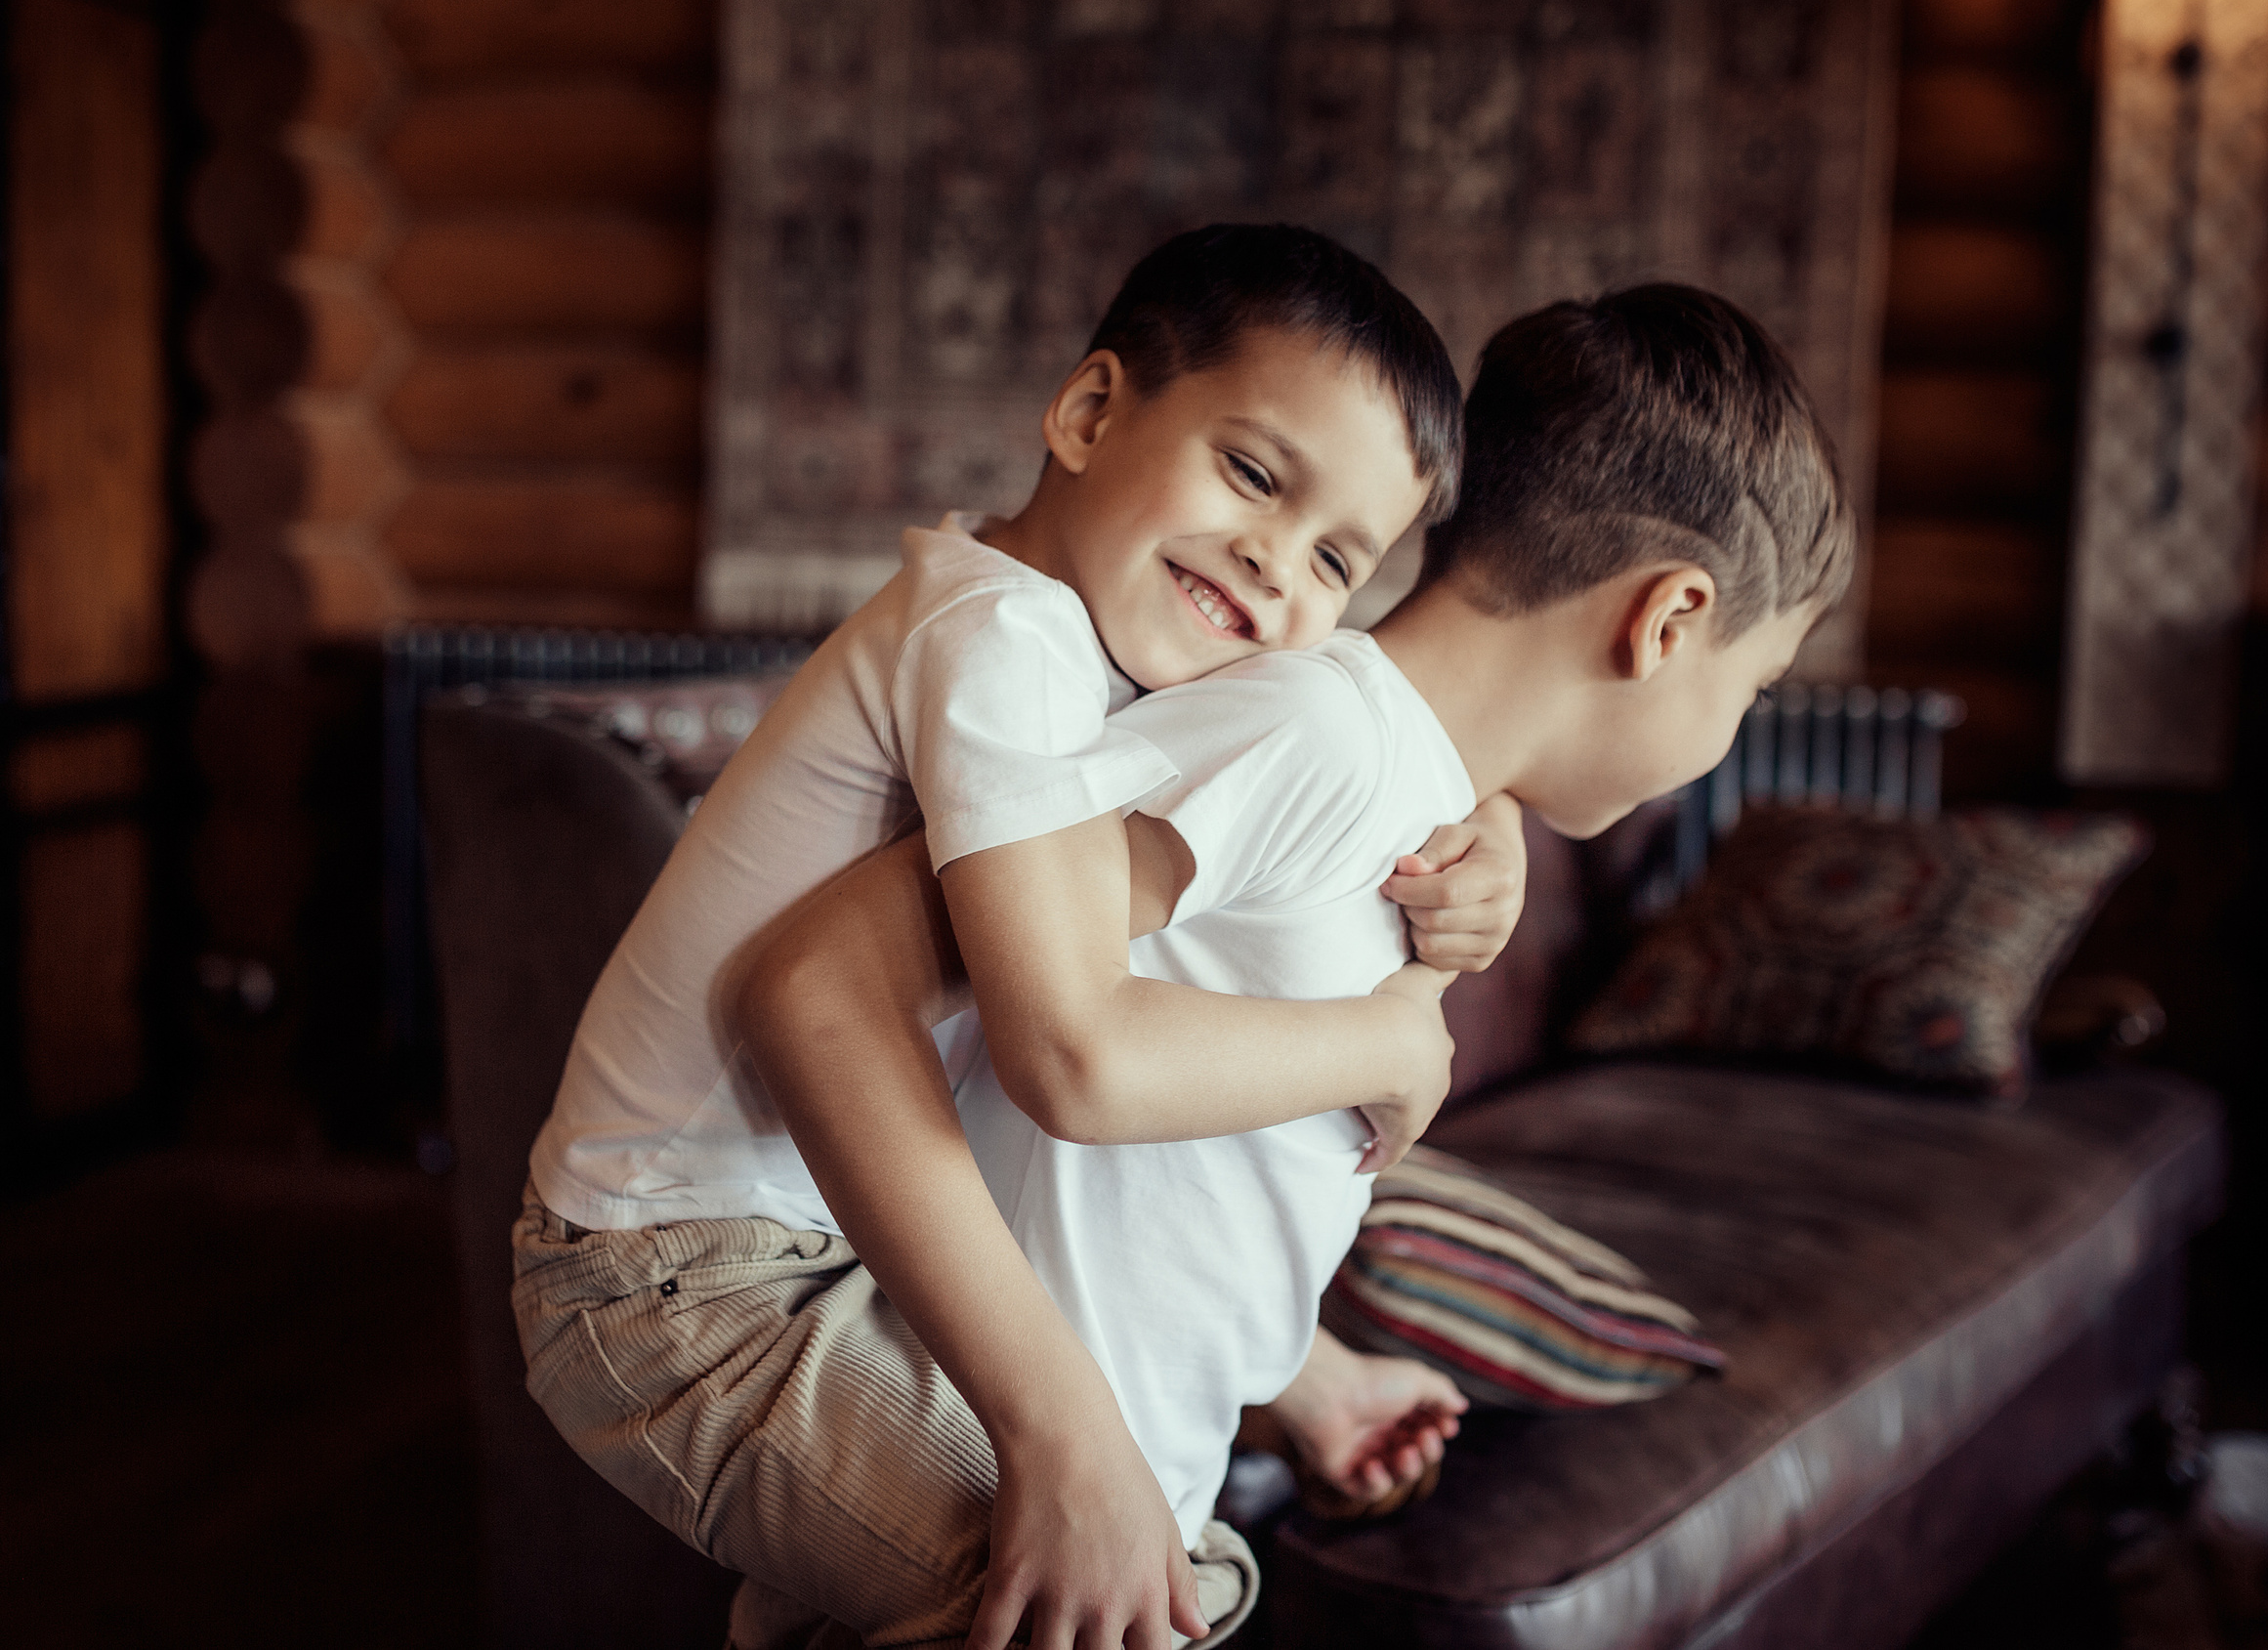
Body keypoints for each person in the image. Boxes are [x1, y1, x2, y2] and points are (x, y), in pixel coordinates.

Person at [733, 280, 1860, 1650]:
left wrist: (1301, 1377)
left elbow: (1187, 1191)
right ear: (1668, 621)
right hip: (1005, 1475)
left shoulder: (1400, 795)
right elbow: (854, 982)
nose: (1732, 730)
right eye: (1752, 691)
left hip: (1109, 1476)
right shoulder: (1316, 742)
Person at [514, 224, 1525, 1649]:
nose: (1273, 561)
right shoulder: (1007, 643)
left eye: (1337, 560)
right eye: (1251, 474)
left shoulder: (1094, 654)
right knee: (1131, 1595)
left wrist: (1493, 832)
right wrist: (1379, 1039)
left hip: (812, 1243)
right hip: (675, 1278)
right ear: (1089, 413)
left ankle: (1290, 1376)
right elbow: (1067, 1043)